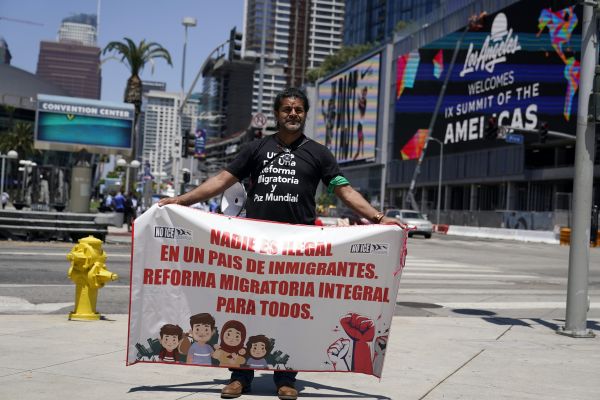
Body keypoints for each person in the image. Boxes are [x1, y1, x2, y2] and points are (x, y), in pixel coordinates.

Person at [159, 87, 405, 400]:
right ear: (277, 113)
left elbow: (344, 190)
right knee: (246, 310)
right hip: (254, 246)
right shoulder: (255, 149)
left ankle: (286, 378)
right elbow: (221, 181)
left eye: (298, 109)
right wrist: (181, 200)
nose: (292, 114)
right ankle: (239, 377)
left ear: (305, 114)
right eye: (287, 109)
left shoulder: (319, 153)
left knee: (292, 316)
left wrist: (379, 217)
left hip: (298, 250)